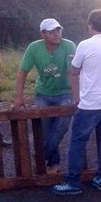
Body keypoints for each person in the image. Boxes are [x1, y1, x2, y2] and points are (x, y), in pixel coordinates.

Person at [54, 9, 101, 195]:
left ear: (90, 25)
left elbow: (74, 71)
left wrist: (77, 97)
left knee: (77, 141)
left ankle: (74, 182)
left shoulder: (84, 45)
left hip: (91, 102)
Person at [14, 19, 75, 174]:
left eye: (58, 30)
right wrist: (19, 98)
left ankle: (41, 155)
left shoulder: (69, 45)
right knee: (46, 130)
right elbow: (22, 73)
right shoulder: (34, 48)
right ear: (43, 34)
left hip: (65, 92)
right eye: (51, 31)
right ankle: (53, 163)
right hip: (43, 94)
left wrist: (77, 95)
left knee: (62, 126)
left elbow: (72, 72)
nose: (56, 34)